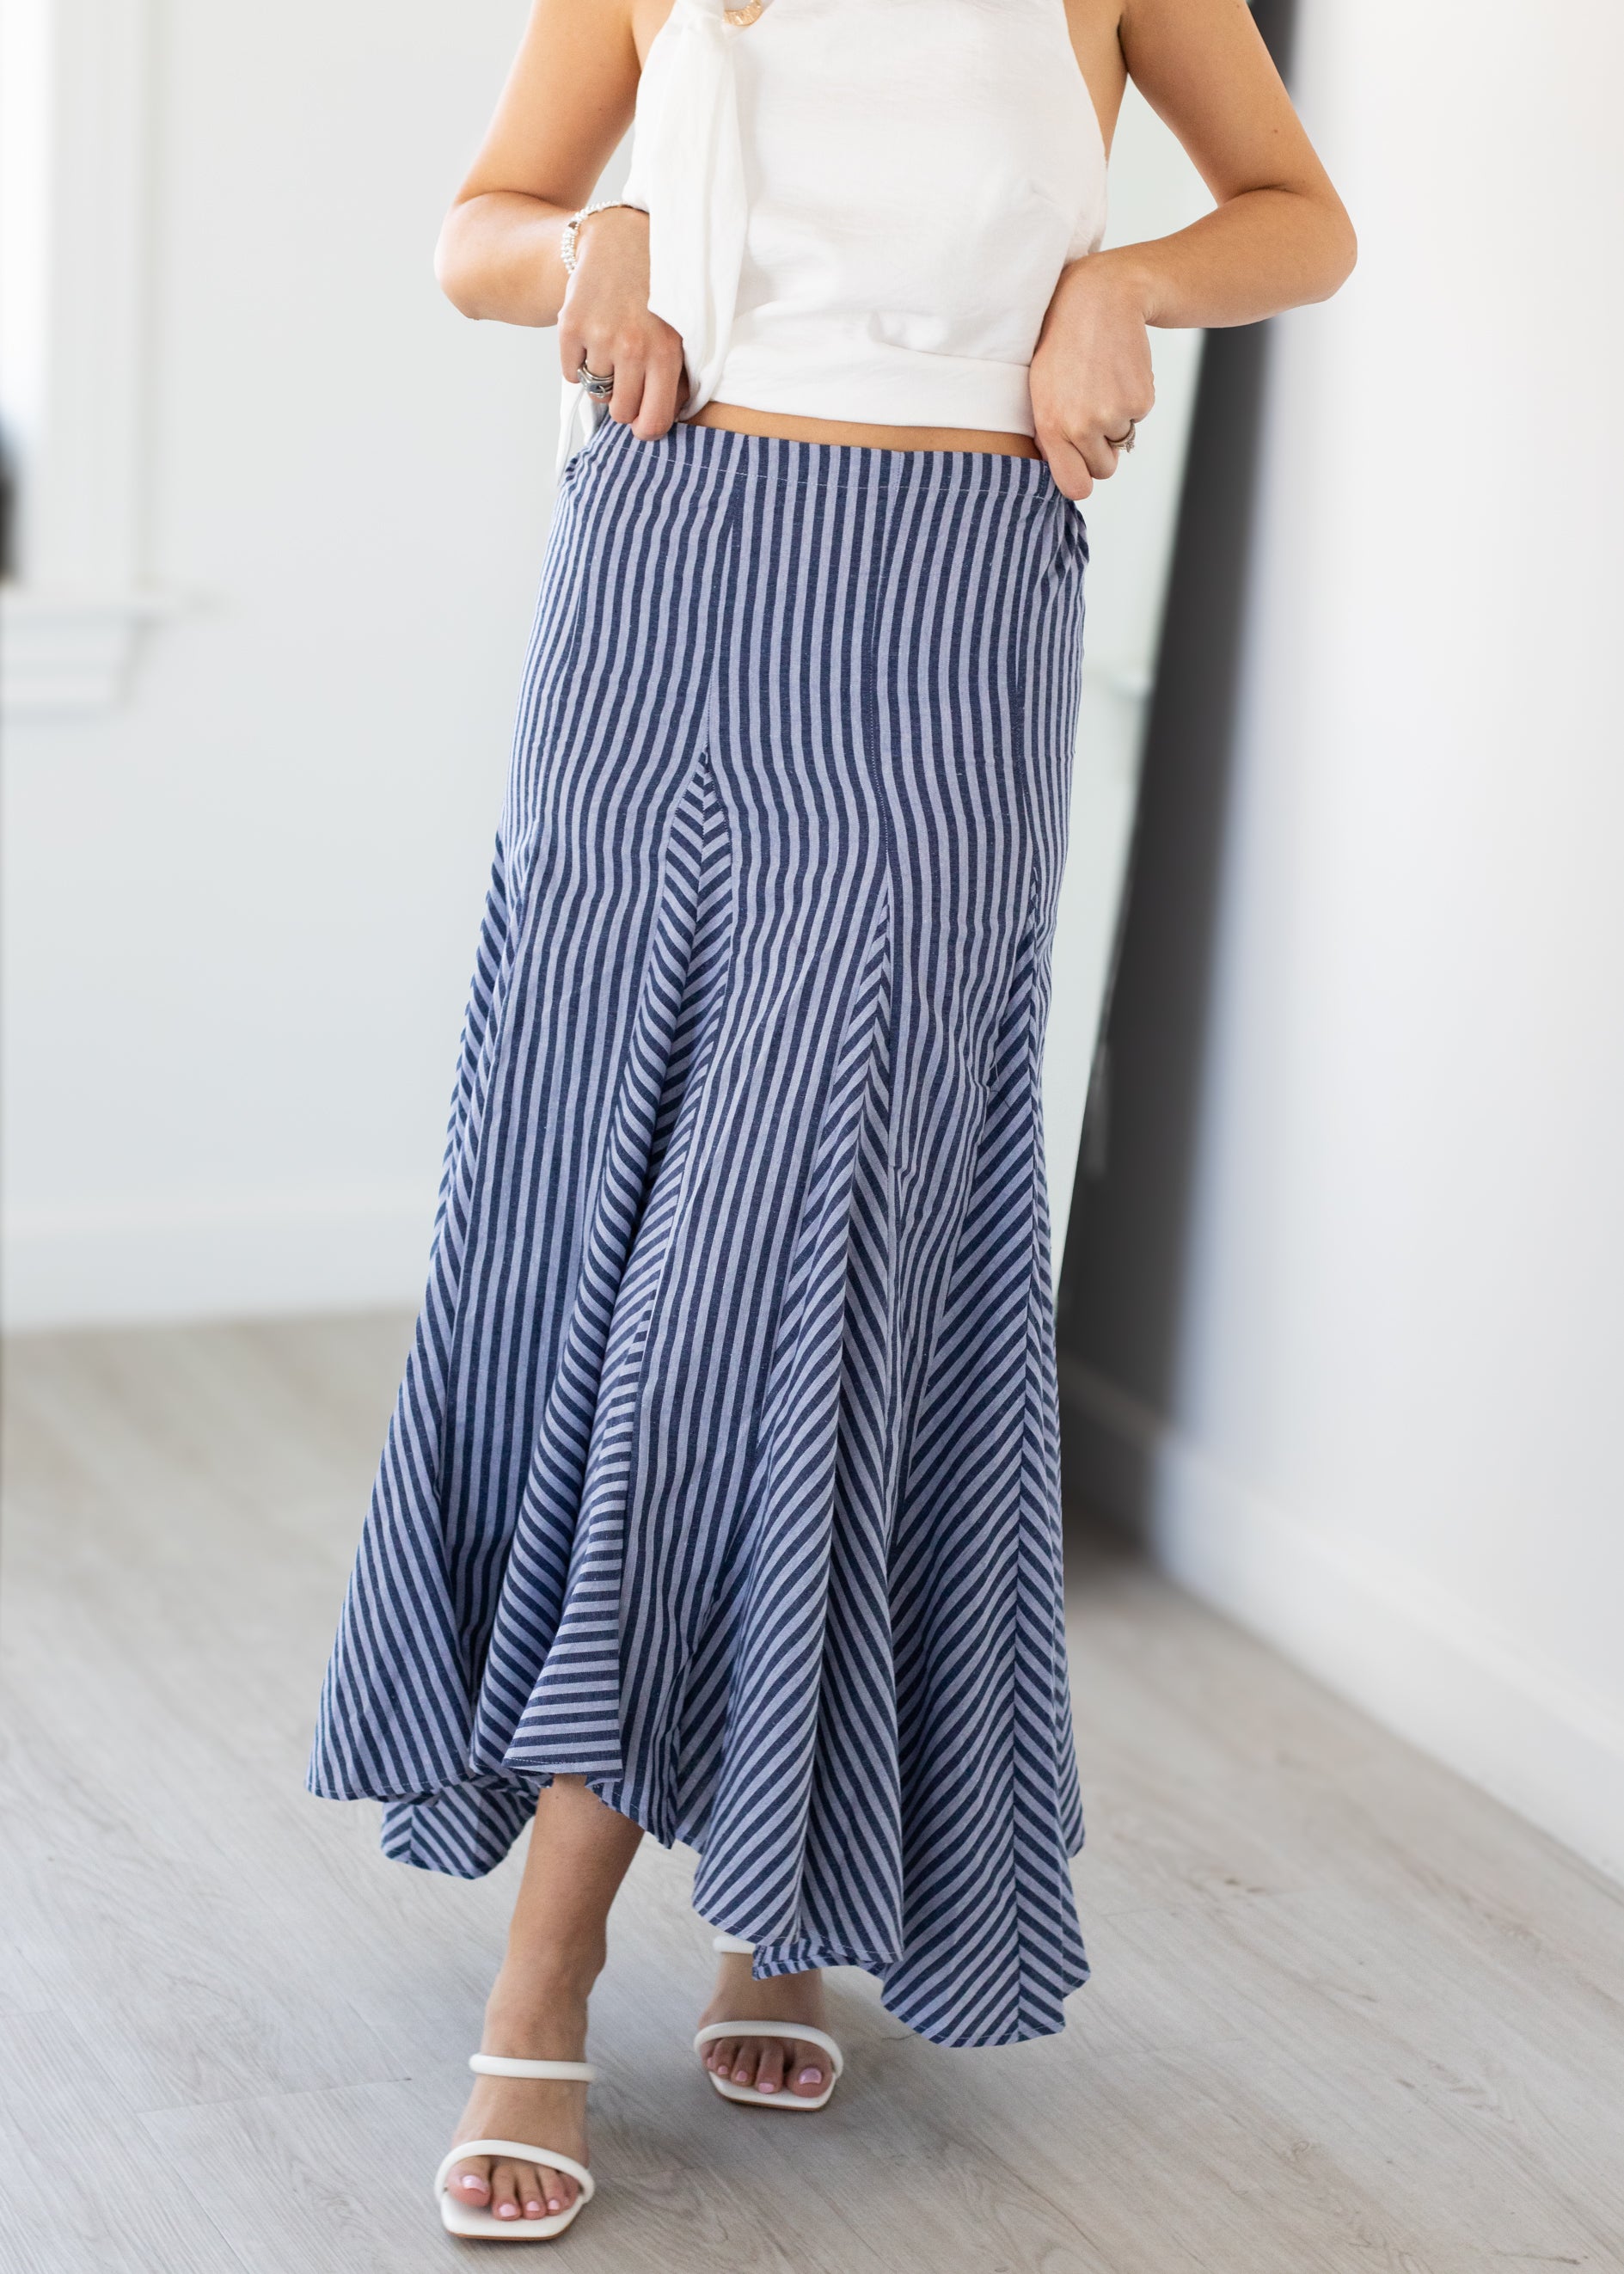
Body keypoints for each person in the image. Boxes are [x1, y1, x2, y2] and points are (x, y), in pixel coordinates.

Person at [309, 0, 1353, 2239]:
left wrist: (1127, 279)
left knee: (815, 1243)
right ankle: (769, 1870)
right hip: (666, 566)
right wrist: (577, 248)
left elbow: (1301, 219)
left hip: (949, 589)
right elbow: (470, 230)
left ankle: (555, 1945)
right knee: (597, 1227)